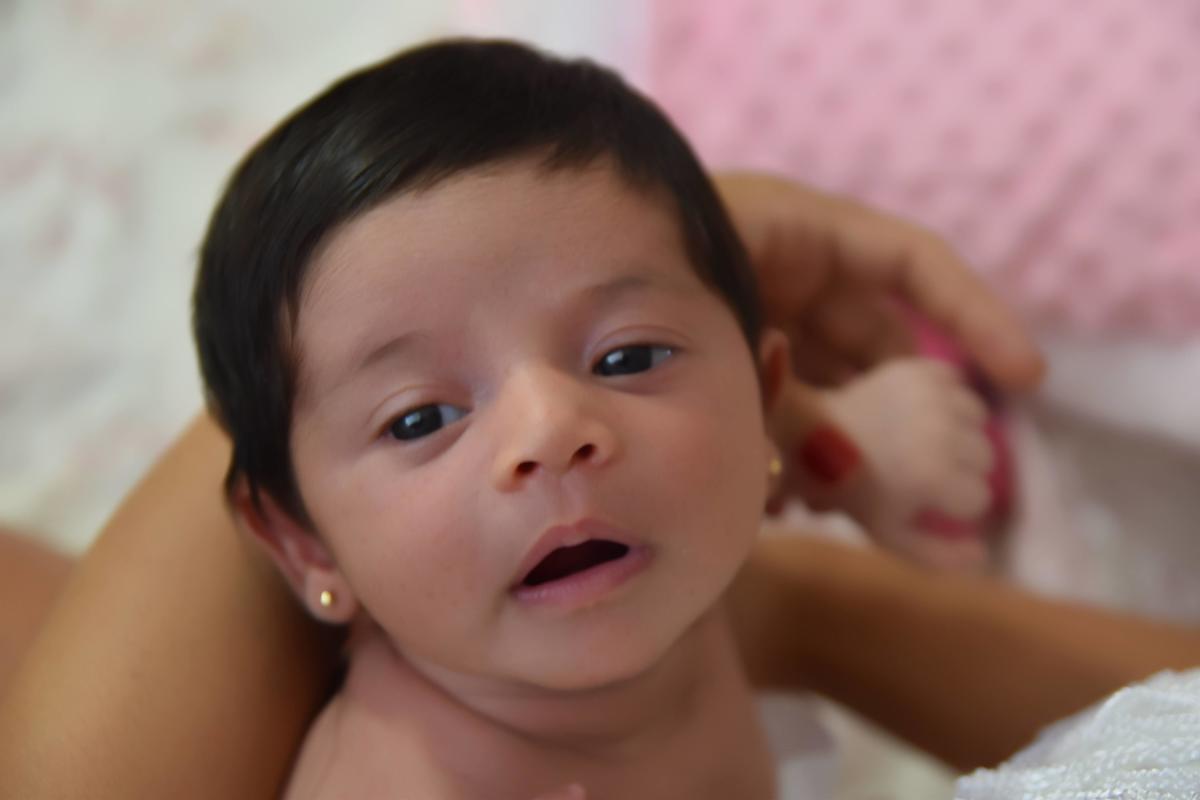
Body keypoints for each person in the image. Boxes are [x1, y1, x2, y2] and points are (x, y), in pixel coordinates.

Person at [14, 38, 1192, 799]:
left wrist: (870, 449)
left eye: (626, 356)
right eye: (421, 419)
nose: (550, 427)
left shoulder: (670, 594)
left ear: (767, 399)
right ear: (303, 542)